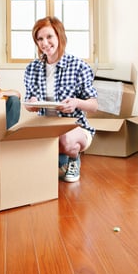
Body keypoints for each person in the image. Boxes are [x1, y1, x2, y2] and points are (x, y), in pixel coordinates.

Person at [24, 16, 98, 182]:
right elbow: (28, 103)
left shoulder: (79, 66)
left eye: (49, 36)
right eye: (40, 38)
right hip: (46, 128)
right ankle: (59, 159)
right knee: (21, 145)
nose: (44, 43)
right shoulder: (32, 68)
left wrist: (76, 103)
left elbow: (93, 105)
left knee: (64, 139)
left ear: (59, 36)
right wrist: (32, 103)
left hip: (74, 129)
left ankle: (73, 158)